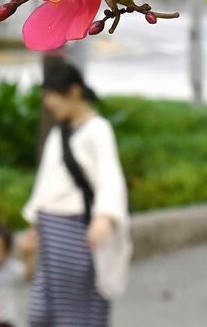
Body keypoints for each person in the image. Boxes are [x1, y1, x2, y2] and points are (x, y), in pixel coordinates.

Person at [20, 57, 131, 327]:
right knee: (43, 313)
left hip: (74, 233)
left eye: (52, 95)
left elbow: (110, 177)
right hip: (50, 232)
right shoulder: (61, 132)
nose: (48, 103)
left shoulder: (98, 130)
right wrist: (35, 223)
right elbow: (47, 183)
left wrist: (104, 218)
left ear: (74, 93)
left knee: (77, 313)